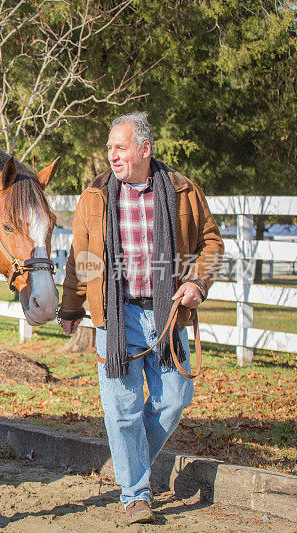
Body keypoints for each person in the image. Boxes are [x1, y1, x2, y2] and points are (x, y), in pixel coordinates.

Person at [58, 112, 224, 524]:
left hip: (168, 312)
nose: (111, 155)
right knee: (122, 408)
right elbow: (83, 258)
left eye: (120, 147)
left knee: (174, 398)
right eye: (109, 147)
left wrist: (197, 285)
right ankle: (135, 494)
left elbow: (211, 241)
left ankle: (129, 462)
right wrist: (72, 306)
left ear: (144, 149)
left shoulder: (183, 190)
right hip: (117, 316)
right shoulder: (95, 195)